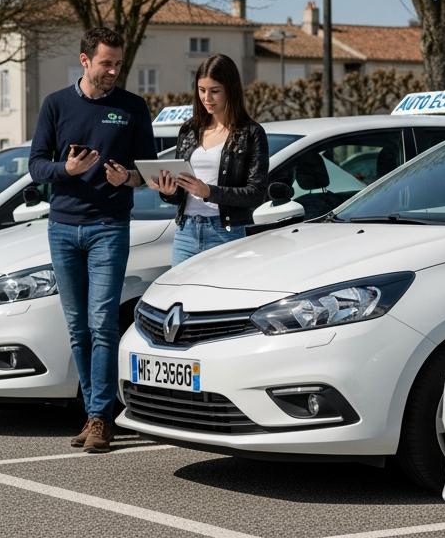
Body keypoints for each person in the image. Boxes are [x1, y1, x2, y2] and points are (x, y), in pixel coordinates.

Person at [28, 26, 155, 454]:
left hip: (109, 227)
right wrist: (67, 171)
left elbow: (149, 172)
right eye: (106, 63)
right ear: (85, 61)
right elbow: (36, 167)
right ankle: (92, 410)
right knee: (78, 327)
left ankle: (101, 417)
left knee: (102, 323)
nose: (114, 71)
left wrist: (128, 178)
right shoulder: (55, 105)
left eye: (118, 63)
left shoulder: (133, 107)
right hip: (62, 228)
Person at [148, 54, 269, 265]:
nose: (207, 98)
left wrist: (209, 192)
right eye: (202, 90)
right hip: (185, 232)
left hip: (226, 233)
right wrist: (167, 191)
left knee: (221, 298)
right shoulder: (189, 130)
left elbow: (256, 194)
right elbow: (179, 194)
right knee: (180, 296)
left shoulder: (251, 133)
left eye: (214, 91)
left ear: (230, 90)